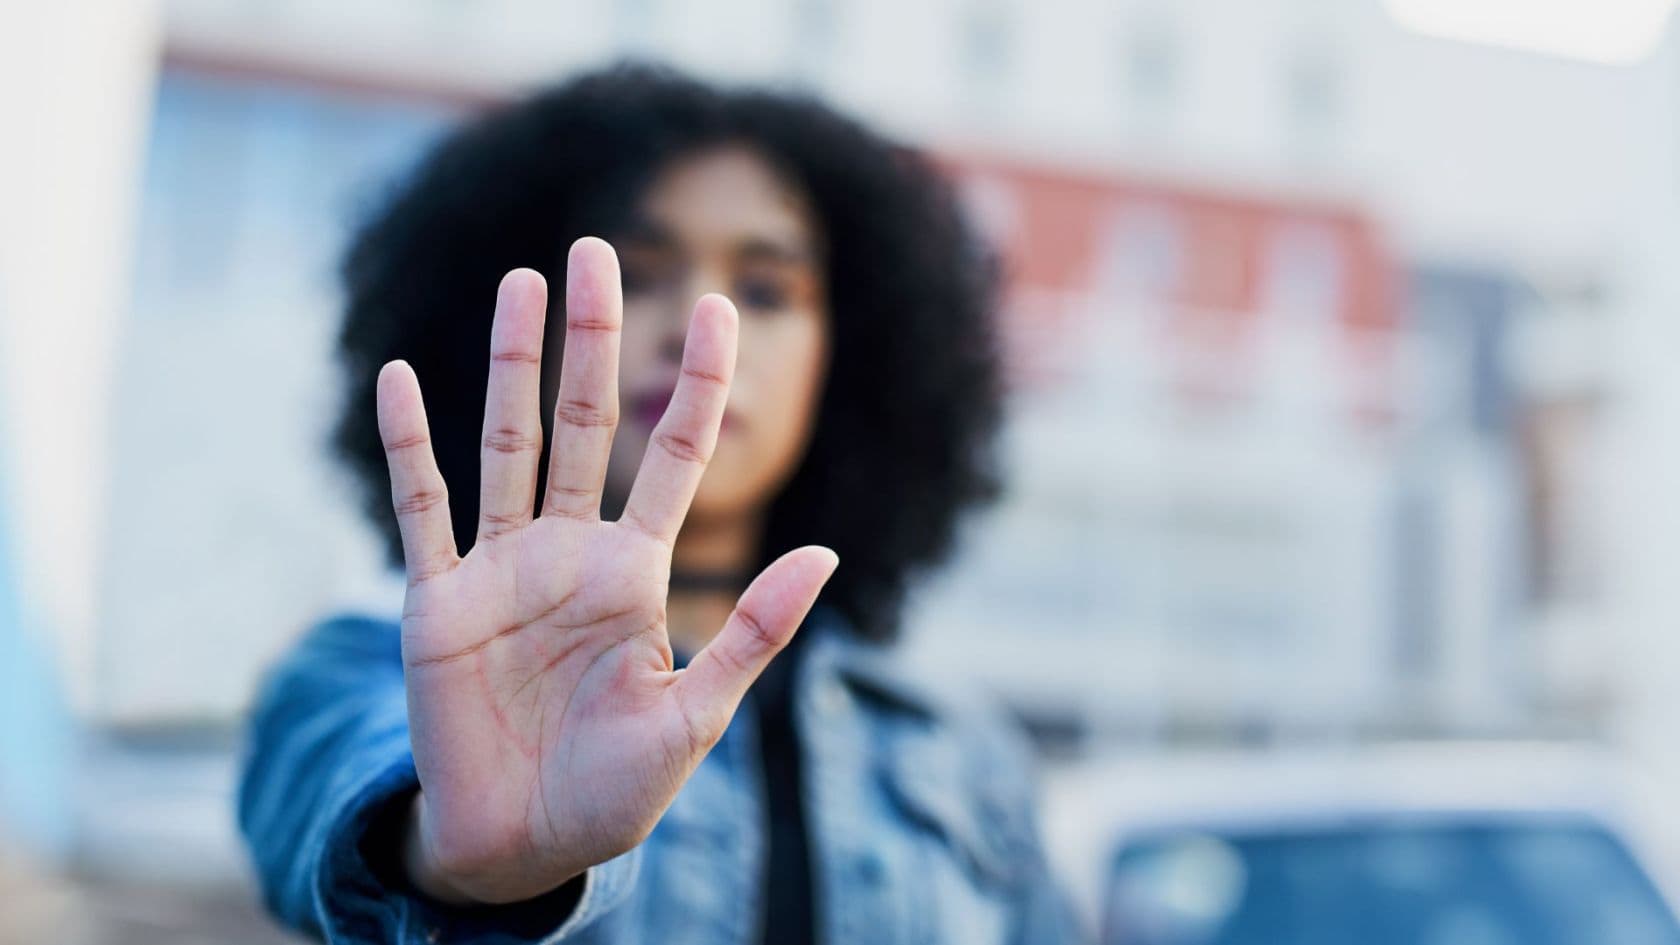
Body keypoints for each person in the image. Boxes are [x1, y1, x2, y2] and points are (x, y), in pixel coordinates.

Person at [238, 64, 1078, 945]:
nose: (697, 323)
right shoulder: (366, 674)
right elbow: (337, 798)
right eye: (635, 275)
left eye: (764, 291)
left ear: (850, 355)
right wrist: (459, 856)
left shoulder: (964, 754)